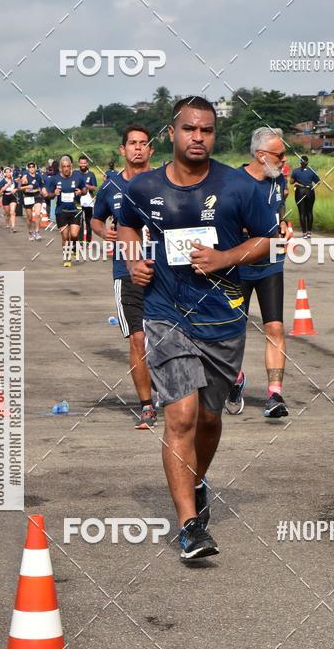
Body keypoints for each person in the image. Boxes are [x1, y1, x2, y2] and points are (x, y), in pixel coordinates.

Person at [118, 96, 275, 562]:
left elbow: (267, 240)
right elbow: (124, 226)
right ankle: (189, 526)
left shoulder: (239, 186)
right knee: (181, 416)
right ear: (173, 133)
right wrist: (134, 259)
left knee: (209, 419)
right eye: (189, 129)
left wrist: (226, 258)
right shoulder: (144, 187)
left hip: (222, 319)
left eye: (206, 131)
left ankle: (197, 479)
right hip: (166, 313)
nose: (198, 138)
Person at [91, 125, 156, 429]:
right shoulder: (110, 186)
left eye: (144, 144)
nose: (138, 148)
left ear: (151, 150)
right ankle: (146, 406)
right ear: (123, 150)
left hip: (164, 271)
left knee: (169, 338)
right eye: (132, 143)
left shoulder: (163, 181)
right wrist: (104, 231)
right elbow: (95, 218)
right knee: (138, 339)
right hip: (126, 271)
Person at [225, 127, 288, 418]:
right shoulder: (231, 182)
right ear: (262, 156)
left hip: (271, 266)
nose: (284, 160)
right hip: (238, 268)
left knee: (274, 328)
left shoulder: (278, 180)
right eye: (280, 155)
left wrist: (285, 229)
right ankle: (234, 379)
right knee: (233, 331)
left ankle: (275, 394)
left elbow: (280, 214)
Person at [47, 155, 84, 267]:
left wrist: (81, 192)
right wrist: (54, 193)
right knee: (65, 236)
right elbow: (49, 195)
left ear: (71, 166)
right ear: (60, 168)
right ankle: (67, 257)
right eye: (64, 167)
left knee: (74, 234)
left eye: (68, 166)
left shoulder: (78, 177)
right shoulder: (55, 179)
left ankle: (74, 247)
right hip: (61, 211)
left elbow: (85, 189)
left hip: (75, 210)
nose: (66, 169)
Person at [291, 155, 320, 238]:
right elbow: (318, 182)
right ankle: (309, 232)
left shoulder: (295, 171)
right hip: (310, 192)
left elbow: (291, 182)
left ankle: (304, 233)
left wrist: (296, 182)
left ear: (300, 162)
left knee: (302, 212)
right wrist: (311, 187)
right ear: (307, 162)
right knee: (309, 212)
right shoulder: (312, 171)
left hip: (300, 192)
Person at [74, 155, 97, 245]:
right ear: (79, 163)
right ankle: (80, 241)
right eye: (81, 162)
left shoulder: (91, 174)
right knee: (79, 221)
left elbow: (94, 187)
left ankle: (88, 240)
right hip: (78, 201)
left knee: (89, 222)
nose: (83, 164)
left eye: (85, 162)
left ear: (87, 163)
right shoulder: (75, 173)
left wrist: (86, 186)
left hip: (88, 201)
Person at [21, 161, 45, 241]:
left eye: (33, 167)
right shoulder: (25, 177)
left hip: (37, 196)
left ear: (35, 168)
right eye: (30, 167)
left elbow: (42, 185)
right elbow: (20, 188)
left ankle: (37, 232)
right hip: (28, 197)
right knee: (29, 217)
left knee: (38, 214)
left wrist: (43, 191)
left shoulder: (39, 176)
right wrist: (27, 186)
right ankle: (30, 232)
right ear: (28, 168)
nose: (31, 168)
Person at [0, 167, 18, 231]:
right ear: (4, 174)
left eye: (9, 172)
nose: (8, 173)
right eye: (7, 172)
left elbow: (17, 187)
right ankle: (7, 223)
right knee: (7, 213)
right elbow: (0, 192)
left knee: (12, 212)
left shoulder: (14, 181)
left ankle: (13, 227)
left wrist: (15, 189)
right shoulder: (2, 181)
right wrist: (7, 185)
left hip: (12, 197)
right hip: (5, 197)